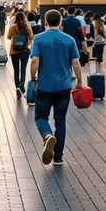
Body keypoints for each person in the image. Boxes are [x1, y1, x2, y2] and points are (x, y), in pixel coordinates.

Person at [29, 9, 85, 167]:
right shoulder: (69, 39)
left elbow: (34, 61)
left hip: (44, 86)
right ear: (60, 22)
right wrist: (79, 81)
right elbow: (76, 63)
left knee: (40, 117)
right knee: (60, 120)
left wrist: (33, 78)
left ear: (45, 22)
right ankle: (58, 157)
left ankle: (47, 135)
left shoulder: (38, 38)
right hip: (63, 87)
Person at [6, 10, 35, 97]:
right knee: (23, 69)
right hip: (24, 51)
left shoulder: (12, 27)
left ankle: (17, 89)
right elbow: (31, 37)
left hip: (14, 51)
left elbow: (8, 37)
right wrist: (26, 44)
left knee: (16, 70)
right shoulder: (27, 27)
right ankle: (21, 86)